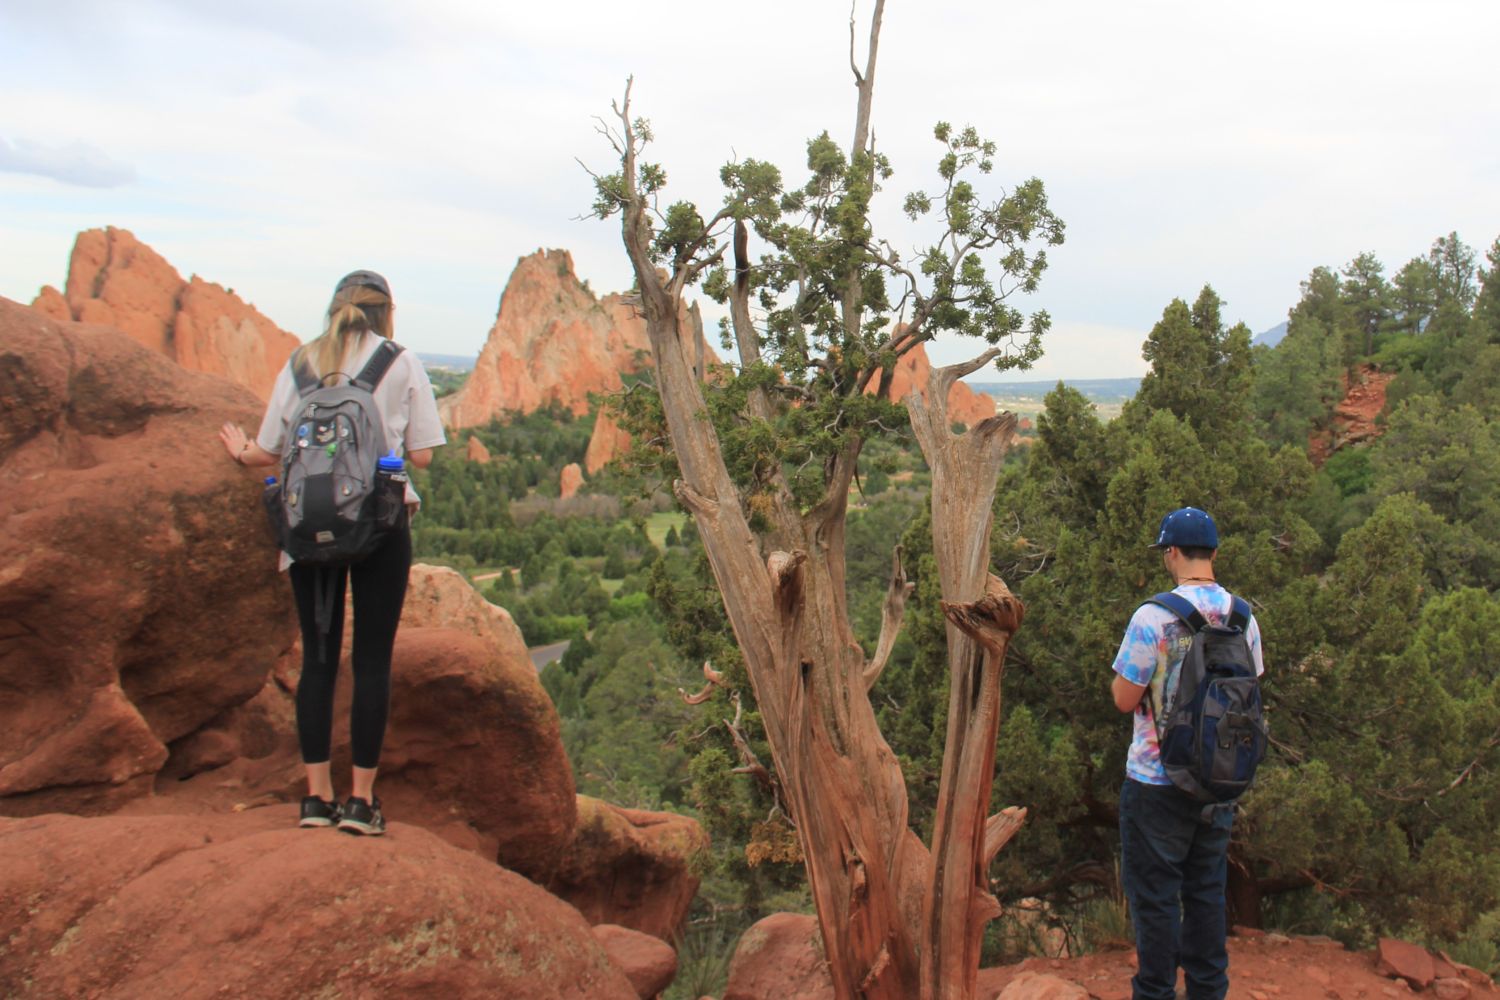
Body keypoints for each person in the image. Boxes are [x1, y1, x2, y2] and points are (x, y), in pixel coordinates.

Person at [219, 270, 445, 835]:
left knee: (317, 663)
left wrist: (239, 450)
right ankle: (361, 803)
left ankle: (316, 799)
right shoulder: (400, 360)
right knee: (371, 661)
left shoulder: (299, 363)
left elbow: (267, 452)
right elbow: (422, 458)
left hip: (309, 529)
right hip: (378, 526)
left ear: (334, 310)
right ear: (386, 312)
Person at [1110, 506, 1264, 1000]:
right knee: (1206, 898)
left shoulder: (1152, 616)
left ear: (1171, 553)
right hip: (1218, 782)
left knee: (1156, 904)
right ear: (1215, 553)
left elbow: (1124, 698)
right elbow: (1252, 689)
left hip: (1156, 781)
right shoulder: (1244, 617)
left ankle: (1154, 993)